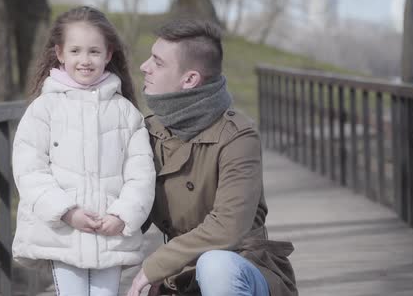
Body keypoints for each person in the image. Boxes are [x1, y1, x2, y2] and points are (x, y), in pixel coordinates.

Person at [126, 19, 297, 296]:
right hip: (180, 277)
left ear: (190, 79)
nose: (145, 66)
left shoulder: (238, 136)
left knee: (215, 265)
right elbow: (133, 210)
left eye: (158, 62)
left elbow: (227, 227)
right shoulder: (148, 131)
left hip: (240, 266)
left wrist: (155, 264)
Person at [11, 6, 155, 296]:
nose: (85, 60)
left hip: (110, 232)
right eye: (75, 51)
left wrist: (123, 215)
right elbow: (29, 169)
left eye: (93, 51)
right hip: (63, 231)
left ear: (109, 54)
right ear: (60, 54)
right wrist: (65, 211)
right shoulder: (44, 109)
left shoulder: (126, 113)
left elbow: (141, 173)